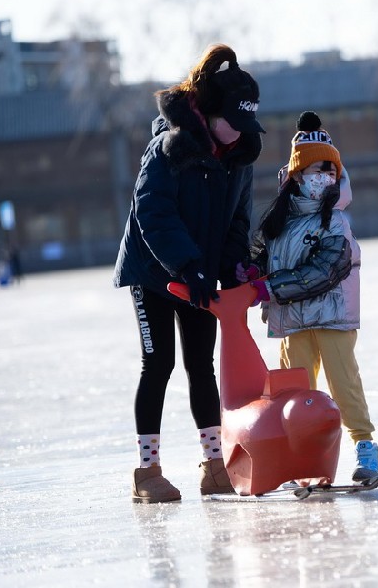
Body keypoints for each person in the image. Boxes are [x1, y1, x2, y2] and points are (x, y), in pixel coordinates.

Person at [113, 44, 265, 503]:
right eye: (232, 125)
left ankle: (214, 465)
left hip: (198, 275)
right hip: (154, 271)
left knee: (202, 365)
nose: (239, 135)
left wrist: (235, 271)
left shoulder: (236, 157)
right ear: (212, 113)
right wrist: (187, 266)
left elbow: (237, 221)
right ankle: (147, 471)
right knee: (158, 364)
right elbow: (152, 212)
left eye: (245, 127)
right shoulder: (169, 148)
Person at [244, 110, 378, 483]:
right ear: (296, 175)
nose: (324, 177)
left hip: (333, 317)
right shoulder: (278, 221)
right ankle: (306, 457)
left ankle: (365, 447)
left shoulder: (336, 221)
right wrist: (250, 275)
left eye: (330, 170)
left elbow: (325, 271)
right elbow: (259, 256)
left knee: (343, 384)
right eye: (315, 170)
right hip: (292, 322)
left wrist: (270, 288)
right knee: (296, 392)